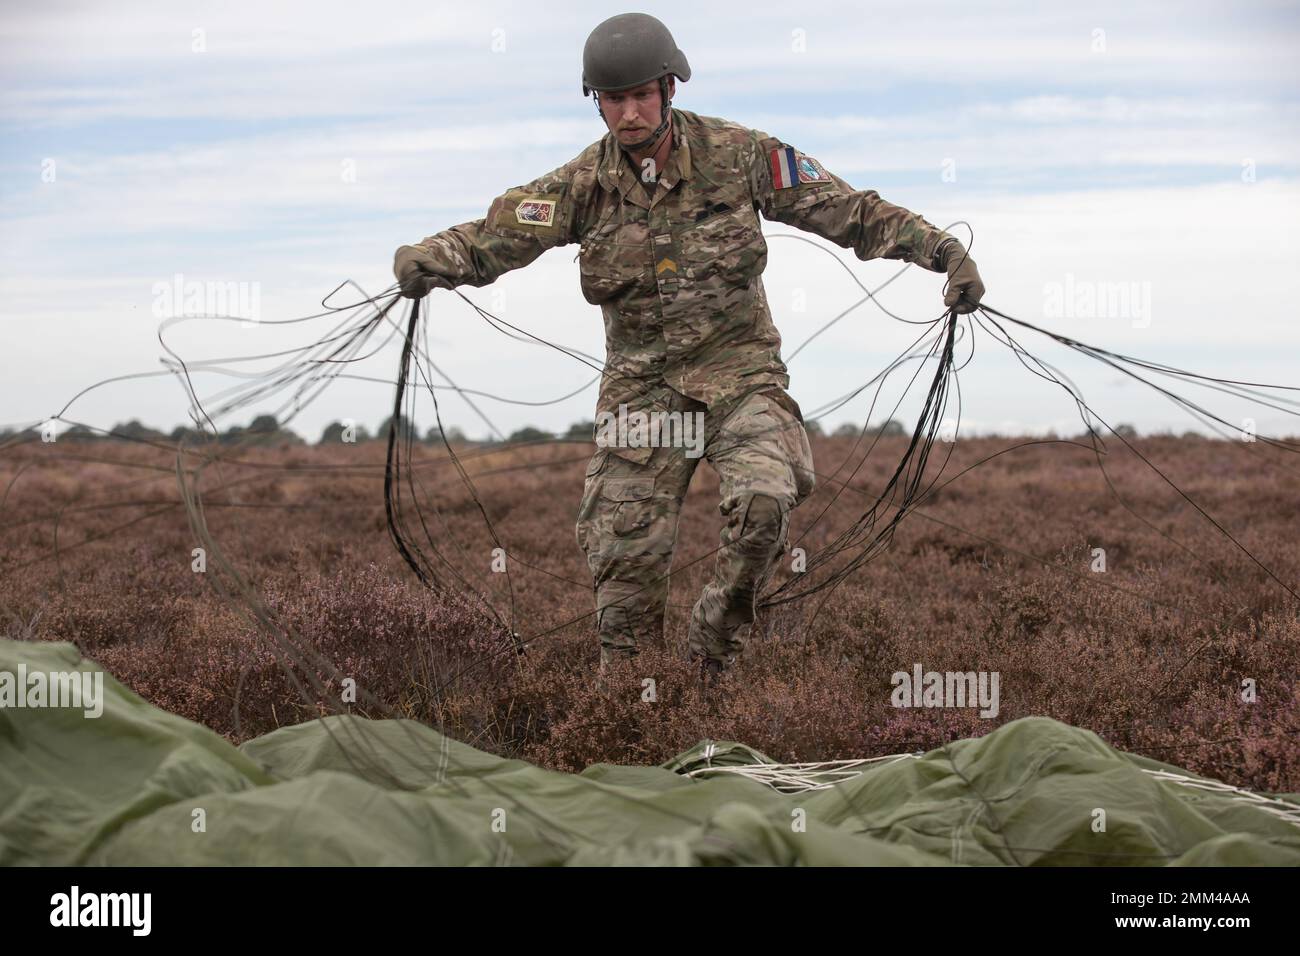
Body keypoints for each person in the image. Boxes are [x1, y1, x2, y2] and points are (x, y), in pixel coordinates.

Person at [394, 13, 986, 684]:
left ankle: (711, 651)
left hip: (741, 379)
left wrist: (942, 251)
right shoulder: (582, 185)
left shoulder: (740, 156)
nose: (628, 113)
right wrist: (430, 259)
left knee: (764, 503)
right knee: (623, 557)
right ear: (597, 101)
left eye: (642, 95)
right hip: (642, 393)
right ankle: (630, 705)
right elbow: (494, 235)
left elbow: (849, 210)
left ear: (669, 88)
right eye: (613, 100)